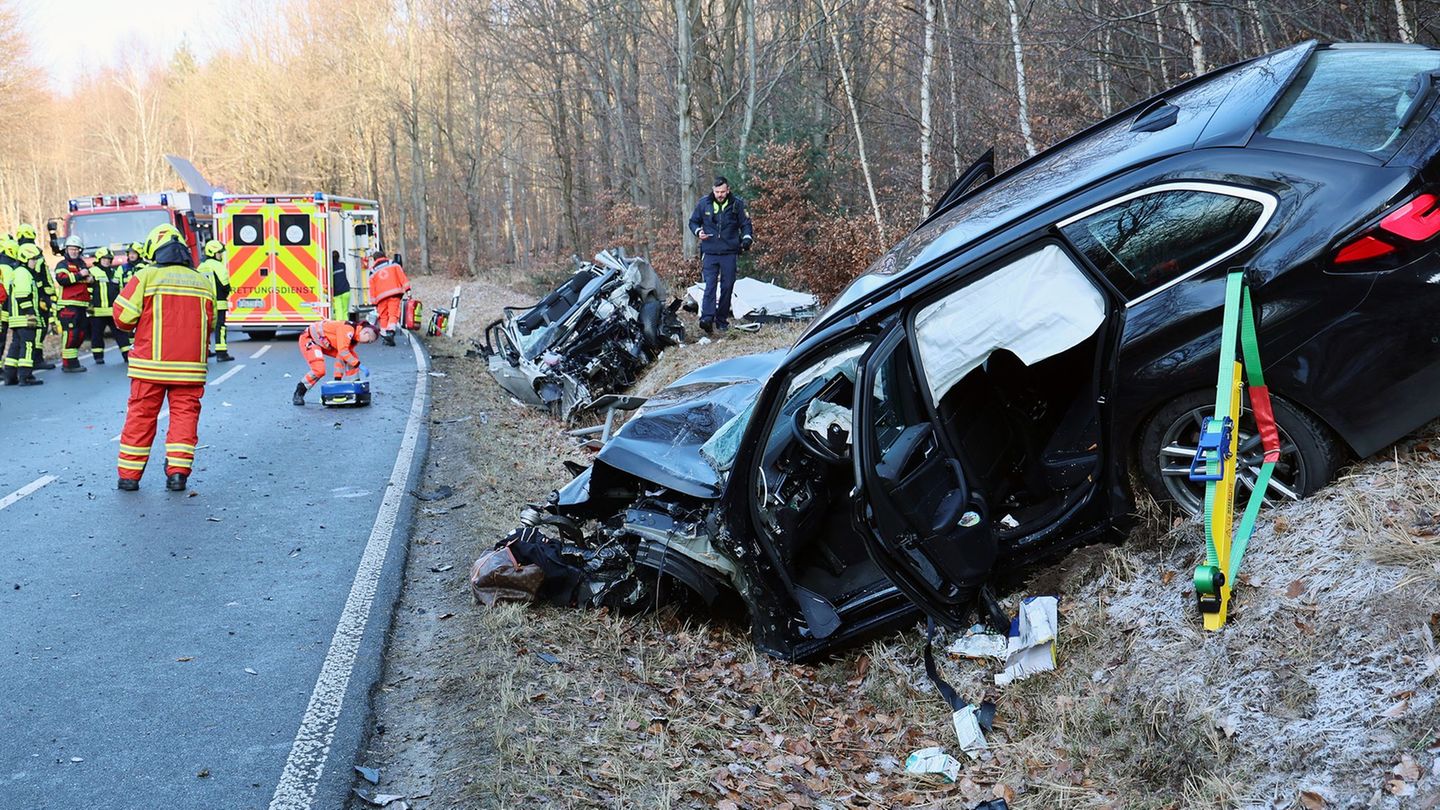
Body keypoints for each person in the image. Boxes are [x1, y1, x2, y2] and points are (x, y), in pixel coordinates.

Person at [113, 224, 216, 492]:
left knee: (141, 418)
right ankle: (178, 475)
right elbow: (211, 323)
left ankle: (129, 477)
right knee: (184, 418)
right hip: (190, 369)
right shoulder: (202, 281)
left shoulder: (146, 276)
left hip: (150, 366)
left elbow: (122, 317)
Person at [687, 176, 753, 333]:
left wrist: (746, 239)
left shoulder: (737, 204)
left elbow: (745, 225)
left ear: (728, 190)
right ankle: (707, 318)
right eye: (717, 191)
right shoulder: (704, 203)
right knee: (710, 285)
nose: (720, 194)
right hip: (710, 252)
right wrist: (698, 232)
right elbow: (693, 222)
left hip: (730, 251)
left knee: (727, 286)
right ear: (713, 190)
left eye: (723, 191)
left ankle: (721, 320)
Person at [292, 317, 377, 405]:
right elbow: (343, 352)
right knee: (319, 370)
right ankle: (299, 392)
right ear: (365, 332)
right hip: (310, 340)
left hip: (323, 342)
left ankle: (355, 388)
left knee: (351, 356)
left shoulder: (354, 337)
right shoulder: (348, 329)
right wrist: (358, 365)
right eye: (369, 341)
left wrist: (337, 379)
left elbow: (341, 356)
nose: (368, 343)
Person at [3, 243, 46, 386]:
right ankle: (25, 376)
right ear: (25, 259)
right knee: (28, 345)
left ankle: (10, 376)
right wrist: (31, 314)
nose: (35, 262)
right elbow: (22, 296)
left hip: (16, 318)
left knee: (16, 346)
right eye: (33, 259)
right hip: (25, 318)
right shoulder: (23, 273)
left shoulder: (18, 272)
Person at [15, 224, 55, 371]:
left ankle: (22, 365)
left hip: (26, 296)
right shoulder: (34, 252)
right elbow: (41, 274)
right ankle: (36, 360)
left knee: (20, 338)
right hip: (36, 295)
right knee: (38, 328)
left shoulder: (18, 250)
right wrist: (47, 295)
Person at [52, 234, 92, 372]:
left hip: (81, 306)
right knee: (70, 334)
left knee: (81, 334)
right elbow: (61, 279)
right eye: (71, 249)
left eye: (76, 249)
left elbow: (88, 282)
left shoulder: (82, 264)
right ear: (66, 250)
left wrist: (91, 279)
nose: (74, 251)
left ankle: (73, 361)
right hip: (68, 306)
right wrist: (80, 275)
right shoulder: (62, 264)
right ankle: (67, 364)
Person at [87, 246, 130, 364]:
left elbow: (119, 289)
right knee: (96, 335)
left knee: (121, 334)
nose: (106, 261)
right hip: (97, 310)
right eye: (104, 259)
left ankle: (127, 355)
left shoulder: (114, 272)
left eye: (108, 259)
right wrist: (89, 307)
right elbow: (87, 290)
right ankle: (98, 357)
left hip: (112, 310)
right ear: (99, 259)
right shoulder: (92, 271)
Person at [198, 240, 234, 362]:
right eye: (219, 253)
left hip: (204, 302)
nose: (221, 255)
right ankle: (222, 353)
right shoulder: (217, 265)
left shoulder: (201, 266)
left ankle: (205, 351)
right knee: (220, 327)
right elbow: (224, 283)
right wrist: (227, 291)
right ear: (212, 252)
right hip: (219, 302)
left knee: (205, 327)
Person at [367, 251, 410, 346]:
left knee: (383, 316)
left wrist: (374, 303)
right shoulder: (393, 264)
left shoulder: (372, 270)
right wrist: (408, 290)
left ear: (374, 260)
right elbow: (402, 277)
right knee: (393, 314)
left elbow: (372, 288)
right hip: (394, 294)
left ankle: (384, 335)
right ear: (384, 256)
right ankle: (390, 332)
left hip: (381, 297)